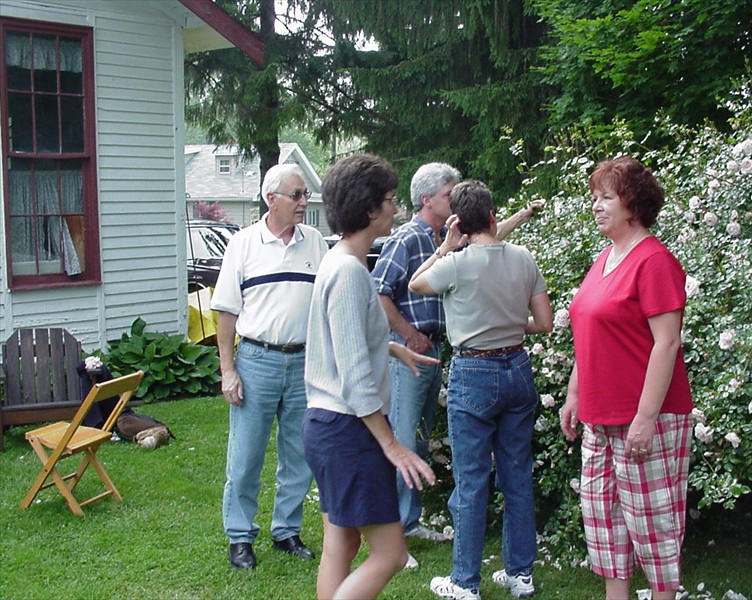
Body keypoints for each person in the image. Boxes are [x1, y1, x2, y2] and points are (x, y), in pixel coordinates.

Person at [371, 162, 542, 559]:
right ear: (427, 199)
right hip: (410, 354)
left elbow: (489, 242)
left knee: (420, 438)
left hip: (442, 353)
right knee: (403, 436)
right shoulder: (408, 239)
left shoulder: (449, 240)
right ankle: (394, 533)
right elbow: (379, 291)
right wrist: (407, 333)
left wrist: (522, 214)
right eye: (449, 194)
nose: (454, 203)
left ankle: (411, 521)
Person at [408, 180, 553, 600]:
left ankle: (465, 581)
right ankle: (520, 575)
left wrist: (444, 247)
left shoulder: (455, 263)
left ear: (459, 224)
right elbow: (543, 323)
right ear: (492, 215)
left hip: (474, 372)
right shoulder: (524, 259)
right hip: (518, 369)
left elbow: (416, 285)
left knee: (472, 481)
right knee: (517, 476)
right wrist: (507, 324)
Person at [303, 153, 438, 600]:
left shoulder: (343, 263)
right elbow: (354, 375)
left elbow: (345, 340)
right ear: (369, 210)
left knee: (341, 542)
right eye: (389, 200)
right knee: (391, 555)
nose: (395, 209)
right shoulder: (347, 272)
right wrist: (391, 444)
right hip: (347, 429)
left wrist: (392, 346)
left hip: (330, 425)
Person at [559, 156, 694, 600]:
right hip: (599, 417)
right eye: (594, 198)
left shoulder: (654, 262)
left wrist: (645, 417)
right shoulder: (605, 258)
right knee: (605, 529)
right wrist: (575, 393)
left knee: (654, 532)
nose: (596, 206)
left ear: (633, 204)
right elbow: (589, 329)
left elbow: (667, 344)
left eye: (607, 198)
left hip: (646, 418)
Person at [211, 163, 327, 569]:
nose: (304, 202)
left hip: (303, 362)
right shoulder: (243, 244)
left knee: (299, 453)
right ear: (270, 198)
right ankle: (240, 537)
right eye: (296, 195)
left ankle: (286, 531)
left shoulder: (315, 243)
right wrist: (228, 370)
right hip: (256, 360)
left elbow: (326, 304)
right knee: (245, 456)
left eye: (305, 195)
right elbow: (225, 314)